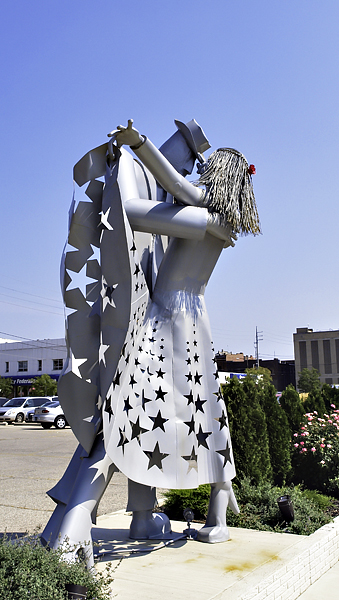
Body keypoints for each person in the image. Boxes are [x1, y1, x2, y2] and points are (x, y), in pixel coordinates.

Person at [102, 119, 260, 542]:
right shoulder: (219, 224)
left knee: (141, 406)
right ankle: (212, 515)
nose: (201, 170)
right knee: (196, 414)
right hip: (192, 318)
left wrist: (140, 142)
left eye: (210, 169)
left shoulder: (207, 212)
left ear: (221, 179)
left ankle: (153, 512)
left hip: (169, 315)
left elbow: (174, 183)